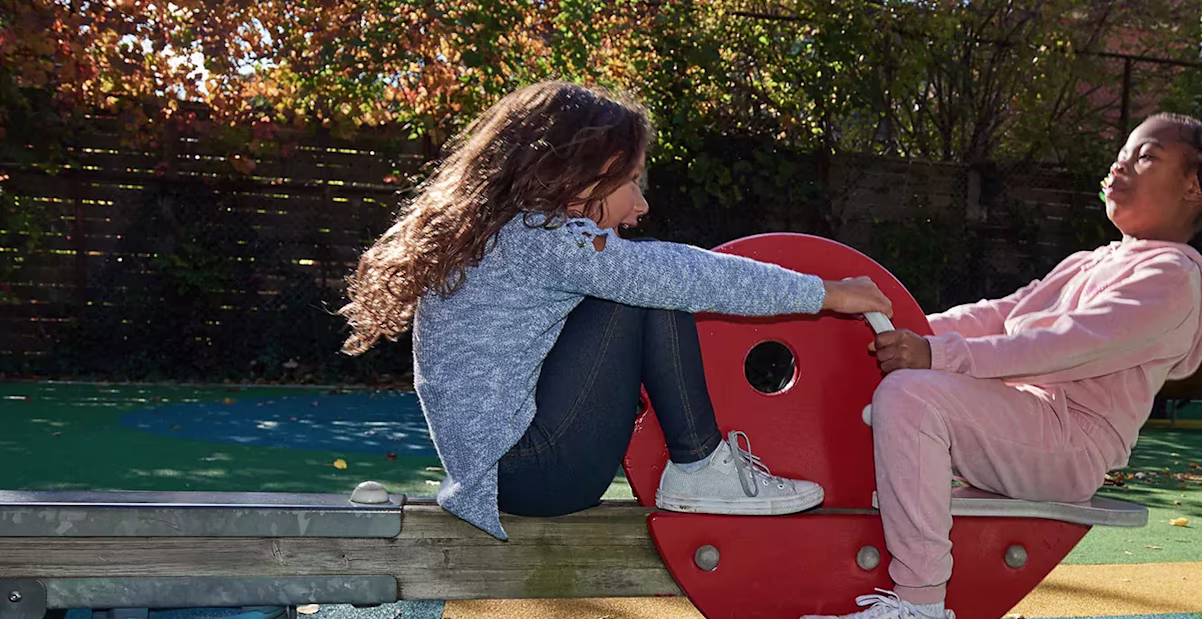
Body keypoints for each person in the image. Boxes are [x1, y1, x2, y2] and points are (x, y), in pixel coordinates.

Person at [788, 112, 1202, 619]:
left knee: (913, 398)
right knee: (903, 390)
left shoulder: (1173, 279)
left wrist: (939, 355)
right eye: (1122, 152)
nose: (1120, 164)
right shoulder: (1093, 261)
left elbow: (1065, 344)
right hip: (1030, 421)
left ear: (1196, 187)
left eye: (1145, 157)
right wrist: (912, 328)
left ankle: (918, 617)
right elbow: (1003, 314)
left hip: (1070, 440)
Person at [338, 81, 892, 539]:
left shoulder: (499, 234)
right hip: (536, 472)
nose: (641, 204)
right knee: (648, 286)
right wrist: (827, 292)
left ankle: (700, 465)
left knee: (643, 279)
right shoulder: (541, 241)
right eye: (630, 181)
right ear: (581, 174)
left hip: (510, 469)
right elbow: (684, 275)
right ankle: (700, 465)